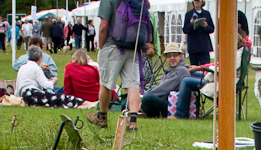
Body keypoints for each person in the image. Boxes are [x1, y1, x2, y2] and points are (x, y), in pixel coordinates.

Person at [89, 0, 149, 132]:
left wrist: (101, 45)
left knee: (105, 83)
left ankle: (102, 116)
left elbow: (103, 25)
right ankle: (133, 121)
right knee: (132, 84)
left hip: (113, 45)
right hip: (132, 47)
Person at [171, 36, 243, 120]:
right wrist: (200, 67)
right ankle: (195, 109)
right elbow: (218, 64)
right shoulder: (234, 53)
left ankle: (180, 114)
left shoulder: (234, 56)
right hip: (214, 77)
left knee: (186, 80)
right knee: (187, 74)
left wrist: (199, 68)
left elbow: (221, 68)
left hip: (218, 82)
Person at [16, 44, 84, 107]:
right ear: (40, 58)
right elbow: (45, 85)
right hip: (33, 94)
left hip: (24, 94)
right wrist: (54, 80)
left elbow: (18, 86)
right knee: (61, 98)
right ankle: (81, 102)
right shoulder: (36, 68)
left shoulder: (22, 67)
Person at [140, 41, 189, 118]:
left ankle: (143, 110)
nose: (172, 58)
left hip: (172, 105)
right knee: (132, 98)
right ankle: (140, 109)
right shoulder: (168, 70)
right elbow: (160, 86)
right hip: (163, 99)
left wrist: (145, 95)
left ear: (180, 56)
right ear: (166, 58)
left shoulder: (182, 70)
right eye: (169, 56)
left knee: (148, 98)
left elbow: (164, 89)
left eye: (175, 55)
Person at [183, 0, 213, 67]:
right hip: (193, 46)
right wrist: (191, 24)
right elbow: (185, 30)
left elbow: (212, 29)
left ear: (202, 2)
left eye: (198, 1)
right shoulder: (188, 14)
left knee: (205, 67)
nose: (197, 2)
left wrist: (206, 26)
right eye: (195, 1)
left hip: (204, 46)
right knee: (194, 67)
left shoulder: (206, 14)